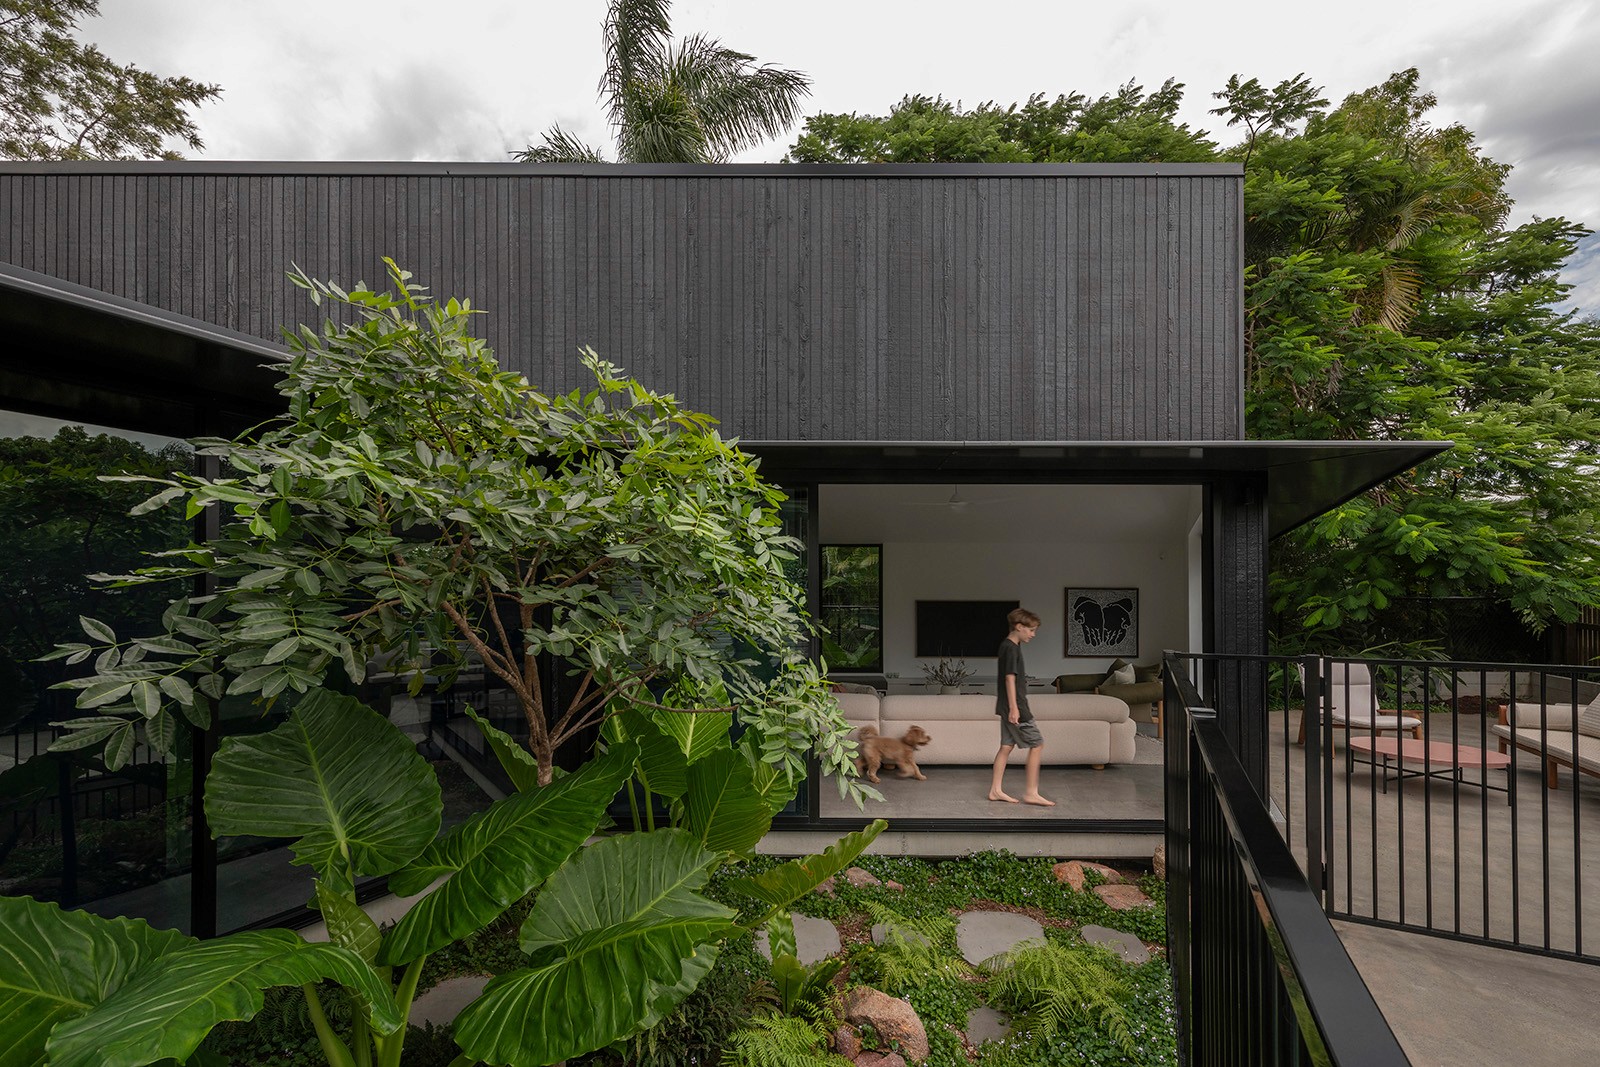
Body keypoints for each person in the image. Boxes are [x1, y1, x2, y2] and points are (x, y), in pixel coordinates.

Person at [989, 607, 1055, 806]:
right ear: (1019, 627)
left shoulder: (1009, 645)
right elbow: (1010, 678)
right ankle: (1031, 792)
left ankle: (995, 790)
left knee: (1006, 746)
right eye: (1031, 630)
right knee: (1037, 744)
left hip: (1006, 705)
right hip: (1016, 706)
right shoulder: (1010, 647)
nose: (1033, 634)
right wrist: (1014, 708)